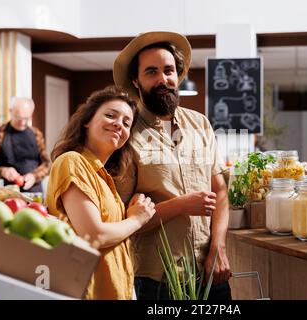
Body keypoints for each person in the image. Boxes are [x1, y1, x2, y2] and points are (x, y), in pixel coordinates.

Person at [113, 31, 231, 300]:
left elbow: (220, 192)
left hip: (211, 271)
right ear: (136, 80)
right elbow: (123, 221)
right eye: (151, 72)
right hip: (159, 280)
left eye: (168, 70)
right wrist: (180, 205)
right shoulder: (126, 136)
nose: (162, 79)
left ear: (178, 75)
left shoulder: (200, 124)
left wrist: (218, 247)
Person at [45, 86, 156, 300]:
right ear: (87, 120)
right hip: (88, 291)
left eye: (126, 123)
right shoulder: (72, 161)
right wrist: (137, 219)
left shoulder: (103, 177)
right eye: (110, 115)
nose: (118, 124)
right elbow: (93, 235)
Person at [0, 97, 50, 192]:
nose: (22, 122)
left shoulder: (37, 134)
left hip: (34, 194)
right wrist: (2, 171)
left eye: (26, 118)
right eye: (18, 117)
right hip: (6, 193)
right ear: (11, 112)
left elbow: (47, 164)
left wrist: (34, 176)